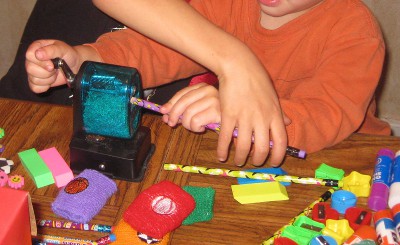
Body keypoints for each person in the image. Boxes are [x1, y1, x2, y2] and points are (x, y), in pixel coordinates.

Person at [25, 0, 391, 167]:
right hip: (247, 157)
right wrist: (86, 59)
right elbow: (159, 47)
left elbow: (325, 116)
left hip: (347, 159)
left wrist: (236, 113)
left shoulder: (354, 28)